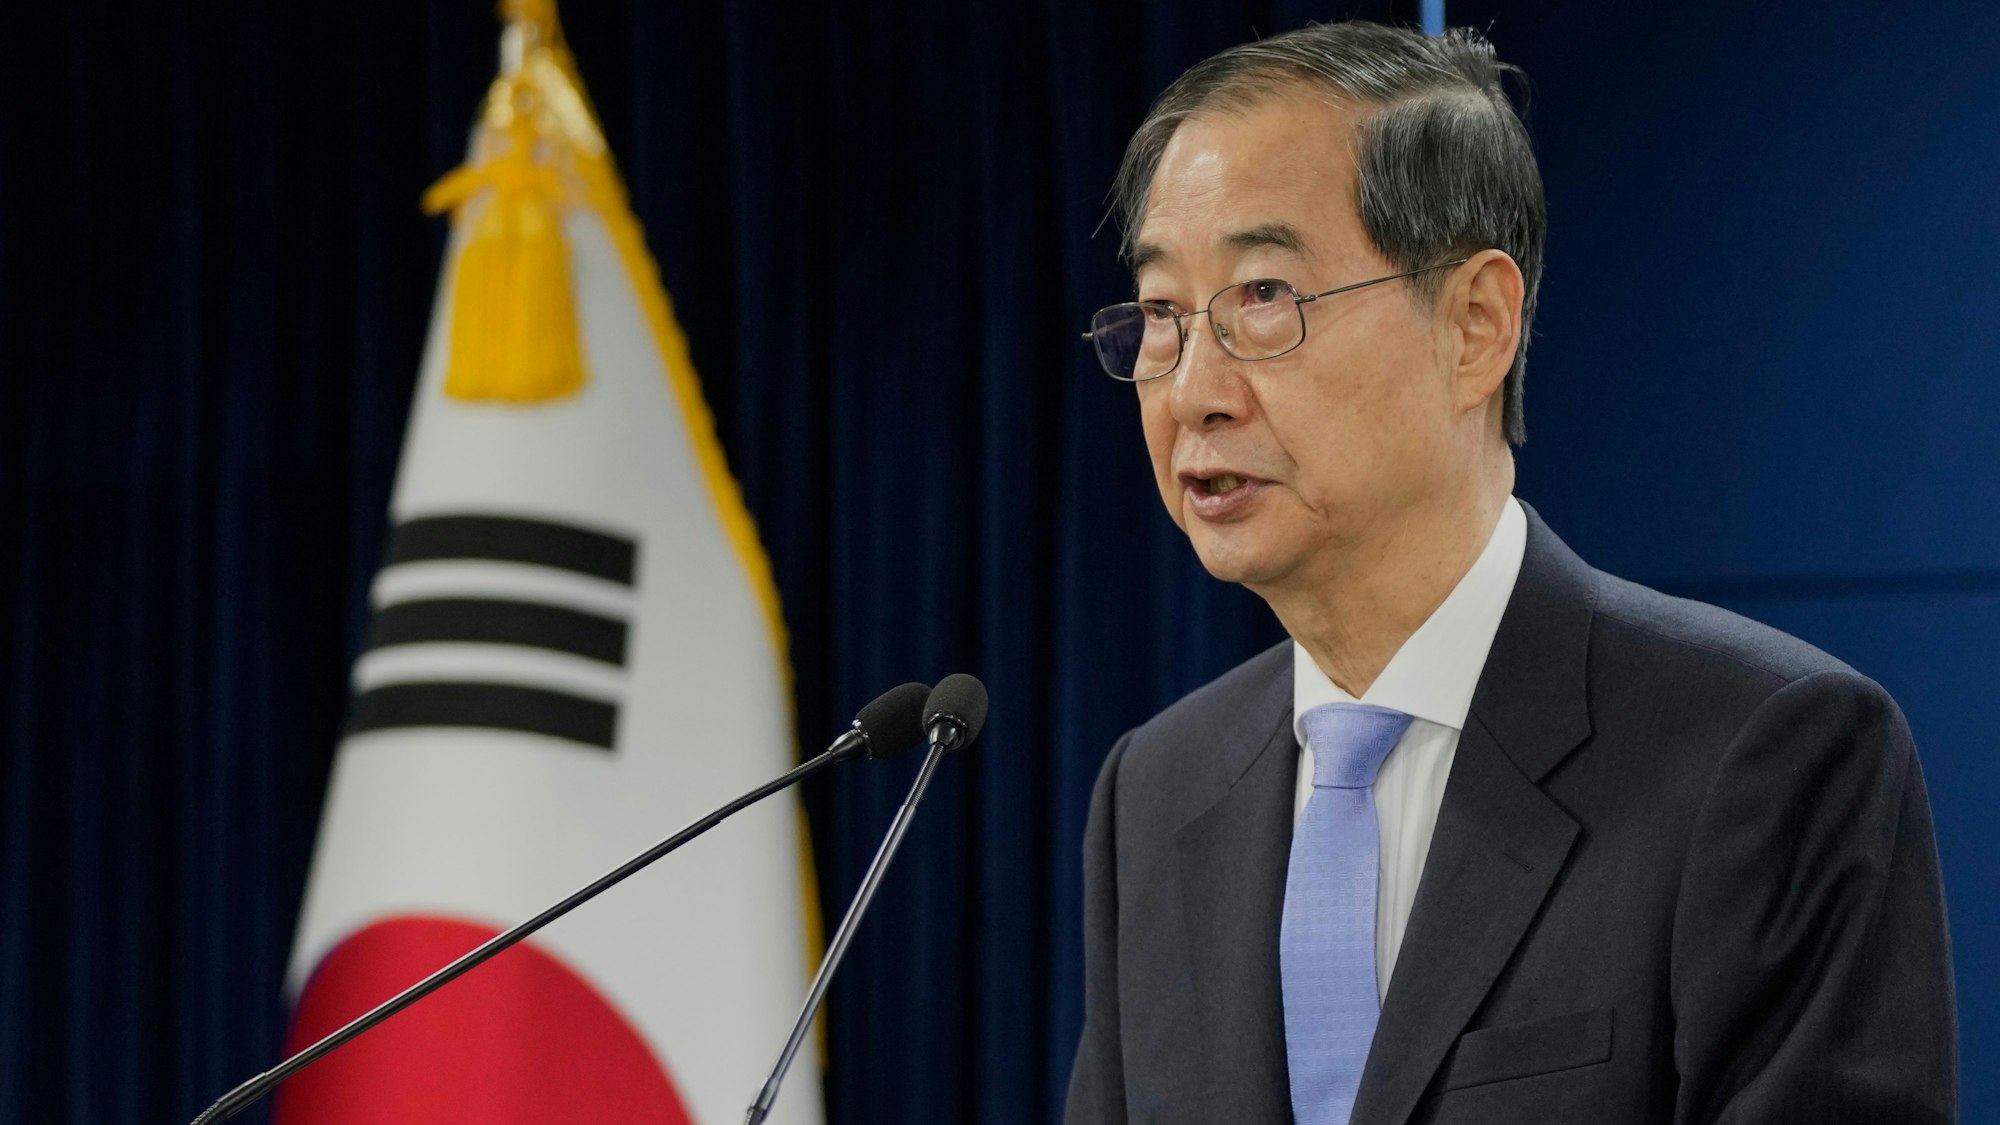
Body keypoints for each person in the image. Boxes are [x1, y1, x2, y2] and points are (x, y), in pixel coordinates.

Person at [1063, 21, 1955, 1125]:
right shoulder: (1155, 790)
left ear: (1474, 325)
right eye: (1159, 314)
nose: (1191, 388)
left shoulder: (1762, 755)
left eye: (1261, 297)